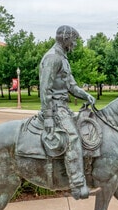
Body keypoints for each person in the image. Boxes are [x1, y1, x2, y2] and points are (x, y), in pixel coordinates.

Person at [39, 25, 96, 200]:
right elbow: (45, 89)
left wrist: (85, 95)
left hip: (64, 107)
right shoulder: (53, 58)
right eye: (74, 40)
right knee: (73, 138)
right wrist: (48, 117)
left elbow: (71, 86)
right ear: (65, 38)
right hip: (55, 109)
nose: (75, 44)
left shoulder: (63, 59)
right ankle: (77, 185)